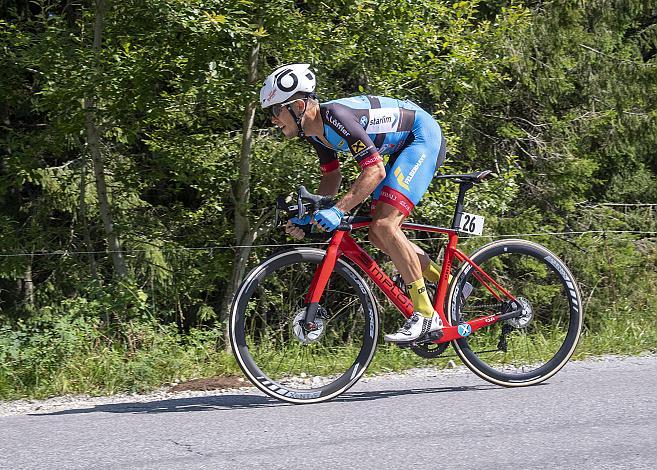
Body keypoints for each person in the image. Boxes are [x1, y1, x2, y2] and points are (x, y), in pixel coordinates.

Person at [259, 63, 447, 343]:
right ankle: (448, 283)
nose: (274, 120)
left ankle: (425, 314)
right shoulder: (315, 131)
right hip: (398, 148)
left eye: (276, 110)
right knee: (378, 235)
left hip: (421, 137)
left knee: (385, 226)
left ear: (298, 106)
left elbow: (375, 171)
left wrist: (338, 210)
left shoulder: (334, 116)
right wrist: (311, 217)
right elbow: (331, 178)